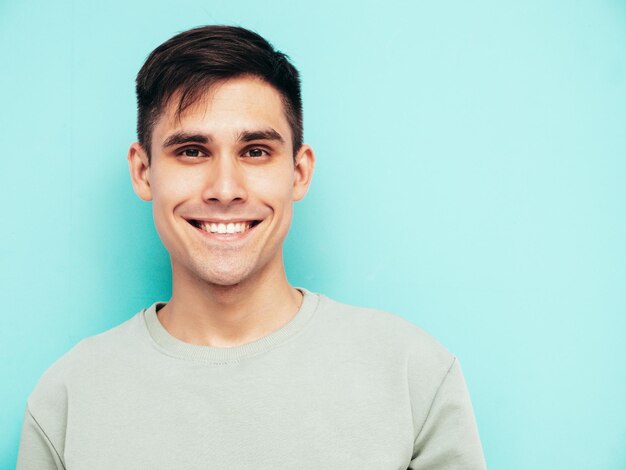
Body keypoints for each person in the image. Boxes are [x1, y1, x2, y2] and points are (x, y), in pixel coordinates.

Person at [17, 25, 486, 469]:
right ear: (143, 171)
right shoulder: (67, 398)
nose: (225, 188)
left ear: (299, 172)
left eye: (256, 151)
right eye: (192, 151)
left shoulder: (413, 374)